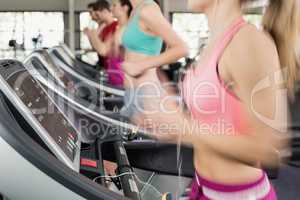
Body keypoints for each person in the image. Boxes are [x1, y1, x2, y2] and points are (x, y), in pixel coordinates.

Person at [136, 0, 299, 199]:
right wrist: (172, 116)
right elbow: (217, 121)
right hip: (203, 187)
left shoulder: (247, 41)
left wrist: (185, 128)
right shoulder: (215, 41)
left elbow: (268, 148)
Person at [120, 0, 188, 121]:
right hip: (131, 91)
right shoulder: (135, 11)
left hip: (145, 93)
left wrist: (140, 65)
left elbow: (181, 48)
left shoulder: (148, 10)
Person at [85, 0, 133, 86]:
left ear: (125, 8)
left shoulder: (126, 29)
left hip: (123, 81)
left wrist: (92, 35)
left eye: (114, 5)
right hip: (114, 79)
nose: (111, 8)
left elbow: (103, 51)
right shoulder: (119, 29)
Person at [85, 0, 118, 70]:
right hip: (106, 66)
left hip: (113, 67)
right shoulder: (104, 28)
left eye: (97, 14)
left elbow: (103, 50)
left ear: (104, 11)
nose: (97, 17)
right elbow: (98, 47)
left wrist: (92, 35)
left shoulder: (117, 26)